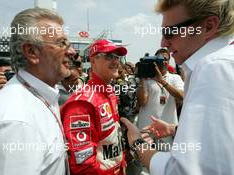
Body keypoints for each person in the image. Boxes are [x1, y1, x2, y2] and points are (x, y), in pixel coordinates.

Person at [121, 0, 234, 174]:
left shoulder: (214, 66)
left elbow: (182, 171)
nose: (163, 43)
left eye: (170, 32)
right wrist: (174, 129)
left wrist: (137, 144)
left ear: (209, 26)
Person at [0, 8, 75, 175]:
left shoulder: (41, 96)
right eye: (61, 43)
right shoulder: (14, 122)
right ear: (31, 52)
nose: (72, 52)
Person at [61, 39, 127, 175]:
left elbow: (113, 139)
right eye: (109, 56)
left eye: (117, 57)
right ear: (93, 61)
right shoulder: (82, 102)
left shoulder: (110, 93)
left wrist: (122, 164)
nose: (115, 61)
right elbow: (83, 165)